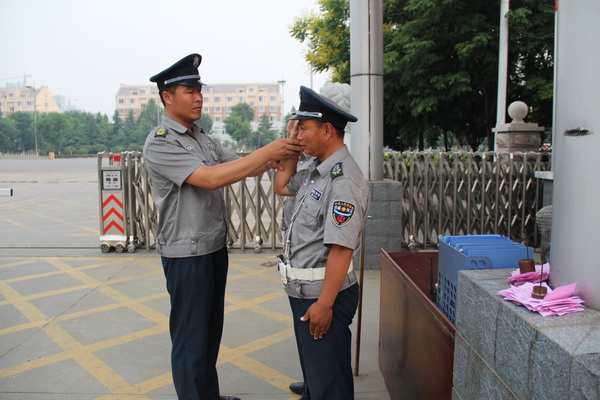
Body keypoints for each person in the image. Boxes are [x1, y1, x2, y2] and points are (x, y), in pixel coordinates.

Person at [143, 53, 302, 400]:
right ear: (167, 97)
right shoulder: (161, 142)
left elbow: (244, 165)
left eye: (199, 90)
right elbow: (211, 178)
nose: (198, 97)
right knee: (191, 338)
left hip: (212, 246)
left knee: (209, 332)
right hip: (186, 254)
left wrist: (284, 149)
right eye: (189, 91)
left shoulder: (201, 138)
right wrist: (269, 152)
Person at [274, 86, 370, 399]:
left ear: (327, 130)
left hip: (323, 295)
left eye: (303, 128)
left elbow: (342, 250)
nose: (298, 134)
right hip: (305, 292)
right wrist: (292, 146)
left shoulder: (343, 181)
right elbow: (282, 185)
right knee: (318, 375)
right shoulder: (316, 170)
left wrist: (325, 305)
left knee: (330, 385)